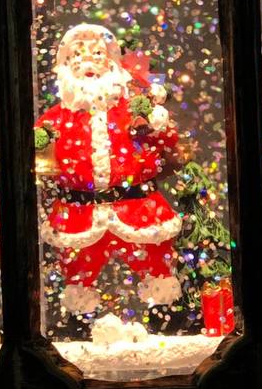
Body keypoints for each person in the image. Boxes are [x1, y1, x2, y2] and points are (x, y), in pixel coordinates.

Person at [35, 23, 182, 315]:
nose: (88, 61)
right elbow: (40, 152)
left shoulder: (134, 111)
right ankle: (80, 322)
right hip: (78, 215)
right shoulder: (56, 119)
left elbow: (168, 142)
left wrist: (158, 124)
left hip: (138, 210)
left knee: (158, 270)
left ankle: (163, 315)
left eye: (97, 53)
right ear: (66, 66)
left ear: (112, 62)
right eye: (78, 55)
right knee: (77, 279)